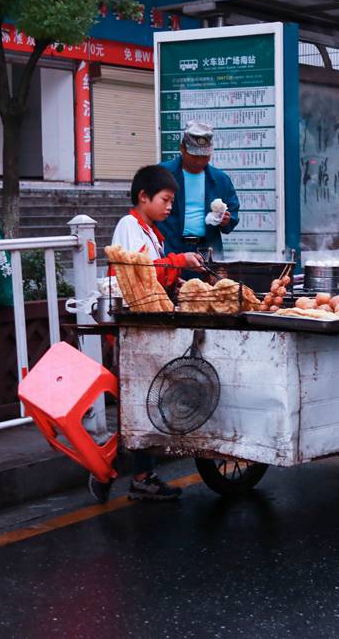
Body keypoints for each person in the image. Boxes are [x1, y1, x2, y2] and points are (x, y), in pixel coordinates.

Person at [91, 165, 203, 503]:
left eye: (172, 201)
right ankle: (118, 469)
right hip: (132, 330)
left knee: (147, 402)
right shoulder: (129, 227)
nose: (170, 207)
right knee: (143, 403)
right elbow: (138, 272)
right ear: (143, 197)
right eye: (165, 200)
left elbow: (153, 277)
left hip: (147, 325)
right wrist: (179, 262)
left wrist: (178, 279)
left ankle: (136, 472)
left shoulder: (150, 231)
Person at [157, 121, 240, 259]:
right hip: (171, 251)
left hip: (208, 252)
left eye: (205, 156)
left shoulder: (220, 179)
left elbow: (233, 214)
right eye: (195, 156)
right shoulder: (162, 174)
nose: (200, 161)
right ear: (182, 148)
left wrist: (227, 220)